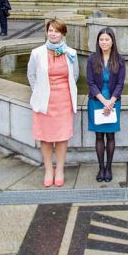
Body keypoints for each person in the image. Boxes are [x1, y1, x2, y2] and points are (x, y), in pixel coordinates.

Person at [26, 18, 79, 187]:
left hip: (63, 100)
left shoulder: (71, 53)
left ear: (63, 33)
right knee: (46, 137)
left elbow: (75, 75)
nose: (53, 34)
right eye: (51, 31)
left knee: (62, 137)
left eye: (57, 31)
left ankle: (60, 169)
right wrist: (38, 91)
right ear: (47, 32)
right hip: (44, 100)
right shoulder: (37, 53)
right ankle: (49, 169)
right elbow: (31, 75)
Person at [86, 27, 125, 183]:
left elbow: (121, 83)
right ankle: (101, 167)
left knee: (110, 136)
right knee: (98, 136)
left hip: (113, 102)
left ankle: (109, 167)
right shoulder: (92, 59)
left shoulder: (119, 60)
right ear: (98, 42)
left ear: (112, 41)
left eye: (107, 39)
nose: (104, 42)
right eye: (101, 39)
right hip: (97, 101)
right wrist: (104, 102)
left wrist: (112, 101)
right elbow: (90, 82)